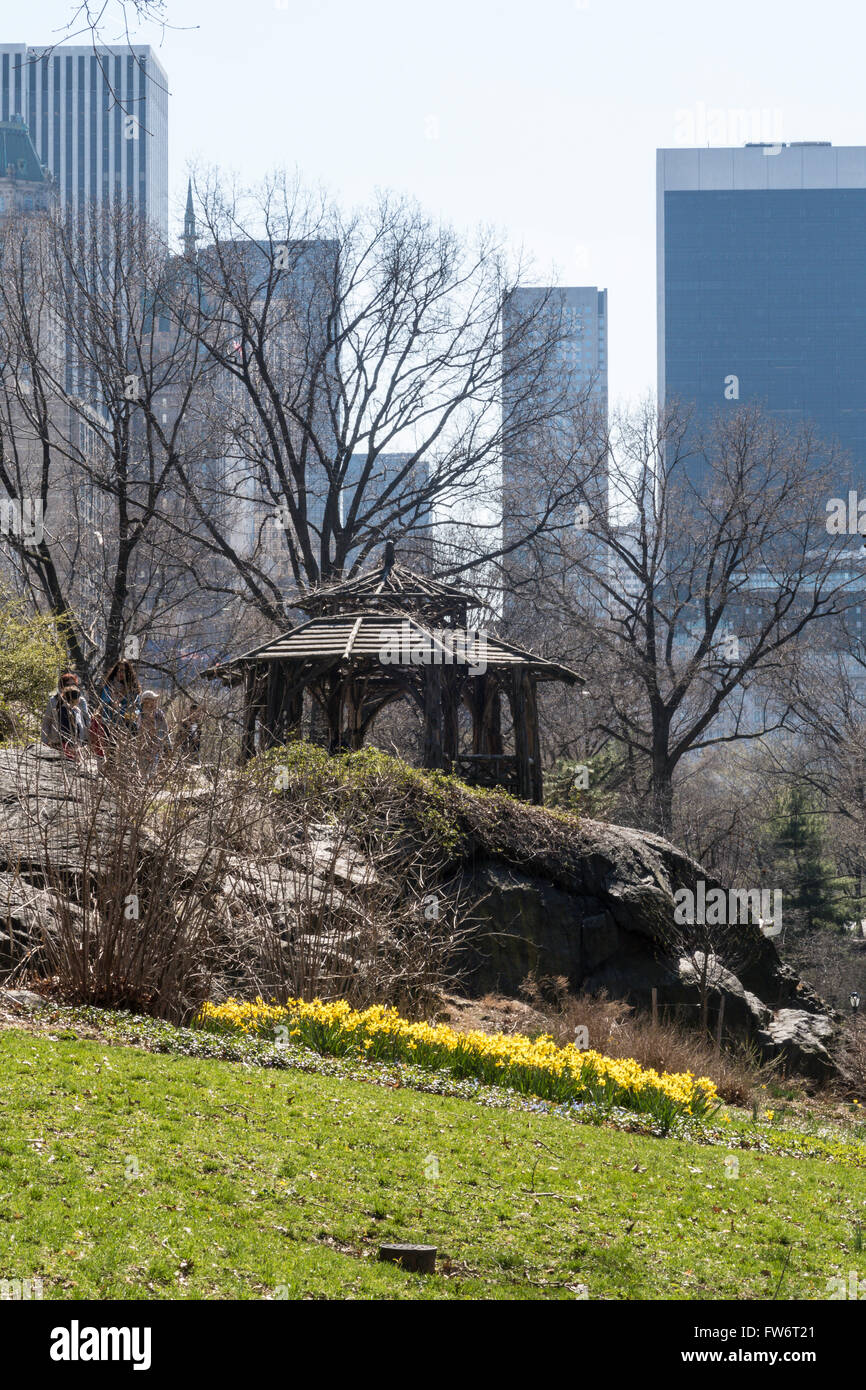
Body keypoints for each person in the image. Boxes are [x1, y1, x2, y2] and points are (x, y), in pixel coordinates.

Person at [41, 671, 91, 754]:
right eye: (68, 684)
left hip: (77, 743)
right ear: (62, 686)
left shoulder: (81, 701)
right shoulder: (53, 701)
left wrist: (87, 740)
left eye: (73, 684)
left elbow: (87, 720)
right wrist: (44, 742)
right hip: (57, 743)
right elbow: (47, 723)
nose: (71, 687)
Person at [98, 659, 141, 742]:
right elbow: (104, 704)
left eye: (123, 670)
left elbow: (138, 708)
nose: (120, 673)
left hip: (127, 724)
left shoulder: (133, 689)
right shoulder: (108, 686)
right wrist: (113, 702)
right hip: (109, 723)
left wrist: (128, 717)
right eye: (118, 670)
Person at [139, 690, 171, 771]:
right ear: (146, 702)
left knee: (152, 772)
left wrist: (168, 746)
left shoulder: (159, 713)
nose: (155, 702)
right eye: (153, 700)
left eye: (155, 700)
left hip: (156, 748)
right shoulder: (138, 714)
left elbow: (165, 729)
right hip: (142, 750)